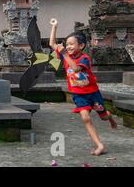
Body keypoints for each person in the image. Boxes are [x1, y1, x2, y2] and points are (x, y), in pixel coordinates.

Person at [49, 18, 117, 156]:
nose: (68, 47)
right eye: (67, 44)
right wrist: (54, 27)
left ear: (81, 46)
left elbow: (75, 69)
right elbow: (52, 44)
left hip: (93, 93)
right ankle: (99, 145)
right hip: (78, 94)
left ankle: (109, 117)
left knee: (103, 117)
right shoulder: (66, 55)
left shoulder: (84, 58)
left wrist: (63, 54)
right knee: (85, 118)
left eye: (71, 44)